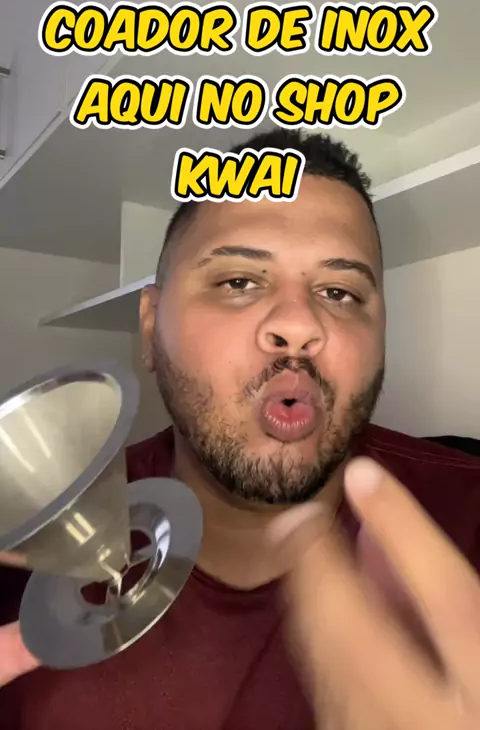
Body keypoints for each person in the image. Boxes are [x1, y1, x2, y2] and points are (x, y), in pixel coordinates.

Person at [0, 128, 479, 729]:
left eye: (339, 291)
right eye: (238, 282)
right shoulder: (25, 562)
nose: (300, 326)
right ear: (150, 327)